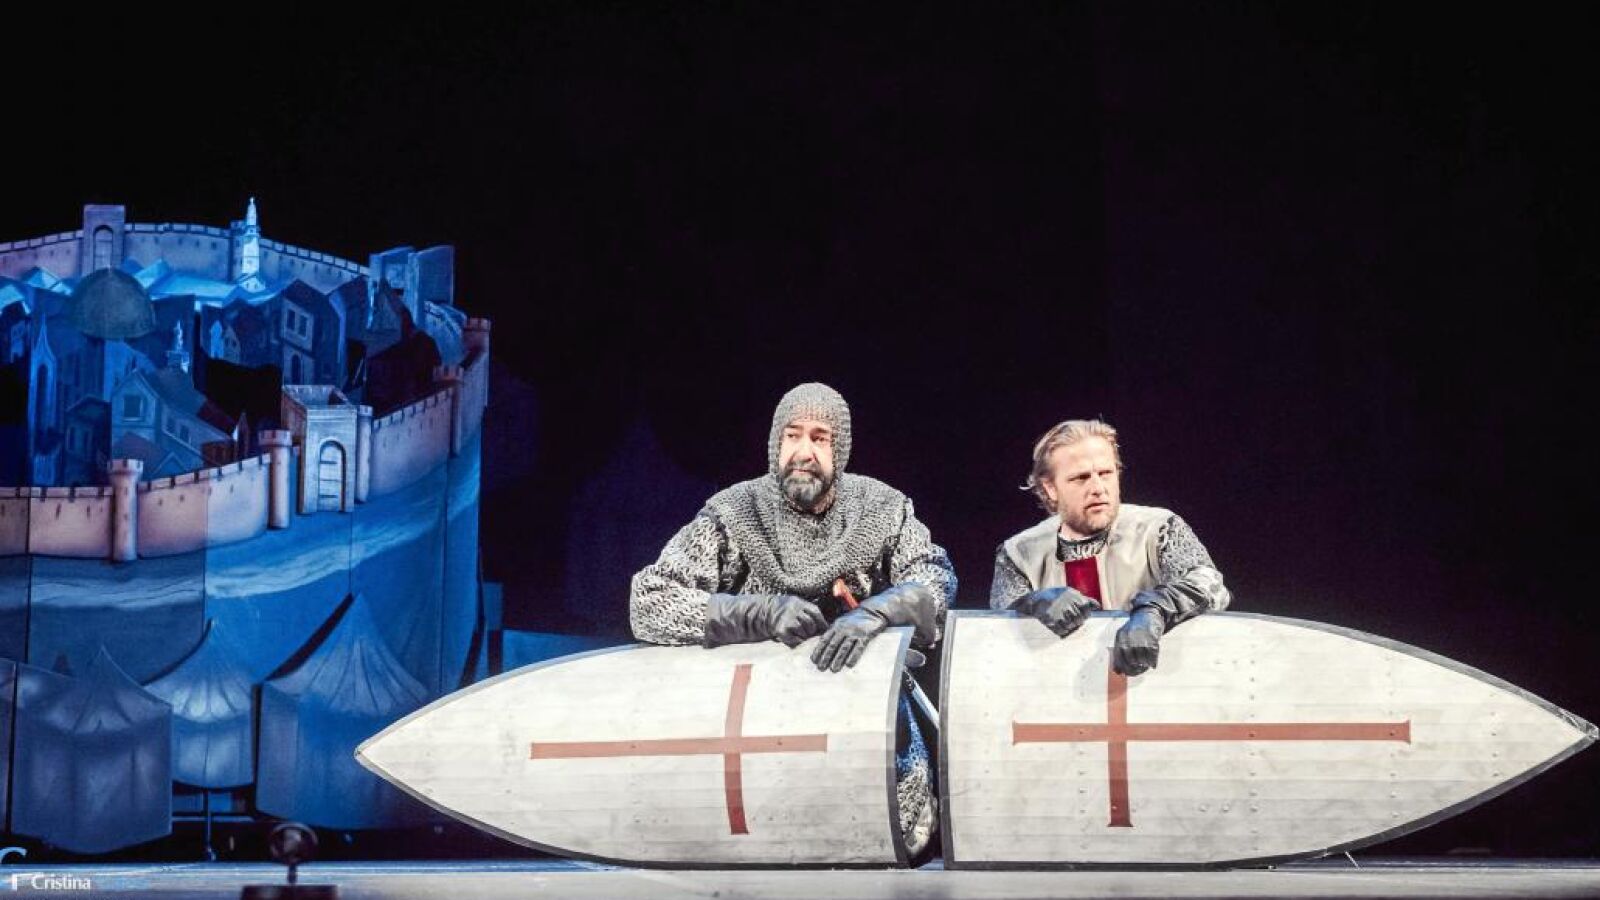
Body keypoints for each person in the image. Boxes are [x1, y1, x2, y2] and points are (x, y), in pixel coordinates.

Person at [630, 382, 955, 854]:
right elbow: (650, 601)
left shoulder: (882, 509)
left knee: (905, 834)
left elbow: (935, 578)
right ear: (775, 443)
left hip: (860, 716)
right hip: (754, 720)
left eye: (820, 438)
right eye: (792, 436)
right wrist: (759, 612)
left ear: (839, 449)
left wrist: (876, 612)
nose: (804, 452)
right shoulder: (735, 512)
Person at [990, 419, 1231, 675]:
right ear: (1050, 488)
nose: (1097, 488)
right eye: (1081, 478)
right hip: (1057, 688)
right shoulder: (1019, 554)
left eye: (1106, 473)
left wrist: (1156, 609)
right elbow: (995, 628)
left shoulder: (1159, 529)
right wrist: (1030, 603)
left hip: (1158, 685)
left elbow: (1211, 586)